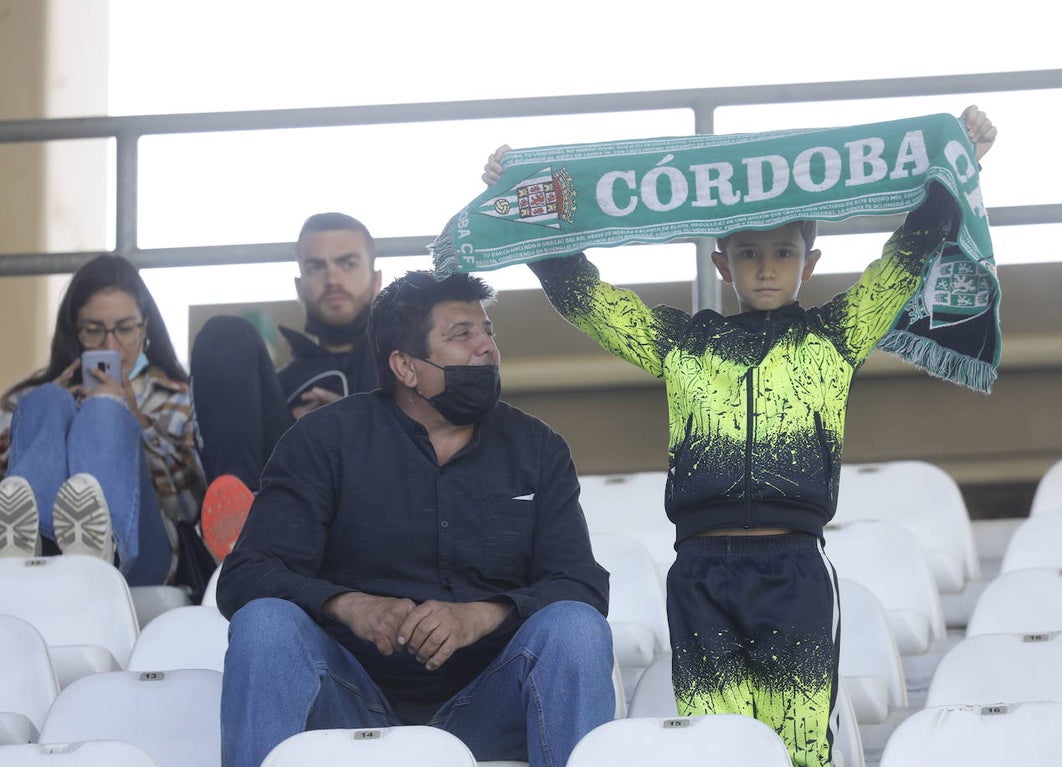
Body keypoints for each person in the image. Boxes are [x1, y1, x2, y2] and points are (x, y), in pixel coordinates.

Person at [481, 106, 998, 767]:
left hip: (796, 571)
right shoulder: (681, 343)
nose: (765, 268)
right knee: (718, 749)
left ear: (809, 261)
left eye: (782, 253)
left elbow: (906, 256)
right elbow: (587, 298)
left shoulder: (835, 336)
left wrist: (957, 165)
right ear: (721, 263)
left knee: (799, 747)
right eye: (748, 254)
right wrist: (528, 208)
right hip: (700, 572)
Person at [215, 269, 614, 767]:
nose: (486, 347)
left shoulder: (537, 448)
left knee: (575, 627)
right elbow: (245, 577)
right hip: (350, 707)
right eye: (461, 334)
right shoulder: (324, 441)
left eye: (488, 331)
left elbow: (581, 583)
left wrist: (483, 614)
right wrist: (347, 604)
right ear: (405, 366)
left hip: (488, 706)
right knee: (265, 623)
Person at [0, 255, 206, 588]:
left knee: (104, 410)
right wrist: (37, 424)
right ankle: (29, 551)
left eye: (125, 329)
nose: (112, 345)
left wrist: (132, 422)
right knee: (47, 402)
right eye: (94, 331)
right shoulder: (27, 398)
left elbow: (187, 507)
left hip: (140, 559)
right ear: (74, 333)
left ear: (145, 329)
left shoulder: (178, 399)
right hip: (39, 561)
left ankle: (101, 548)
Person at [190, 211, 382, 560]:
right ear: (299, 286)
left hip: (378, 507)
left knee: (399, 345)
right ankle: (236, 522)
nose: (332, 279)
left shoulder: (405, 364)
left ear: (377, 279)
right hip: (283, 513)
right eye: (315, 267)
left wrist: (345, 423)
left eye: (348, 264)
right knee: (225, 334)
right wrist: (298, 433)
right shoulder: (283, 384)